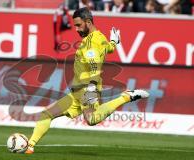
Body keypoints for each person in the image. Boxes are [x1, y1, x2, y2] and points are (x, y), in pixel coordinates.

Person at [25, 7, 149, 154]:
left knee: (91, 119)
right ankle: (29, 146)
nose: (76, 29)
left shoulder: (90, 44)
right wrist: (114, 42)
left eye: (79, 25)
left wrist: (92, 87)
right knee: (46, 114)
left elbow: (94, 66)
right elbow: (108, 49)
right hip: (77, 92)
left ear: (88, 22)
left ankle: (126, 97)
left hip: (87, 88)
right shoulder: (100, 37)